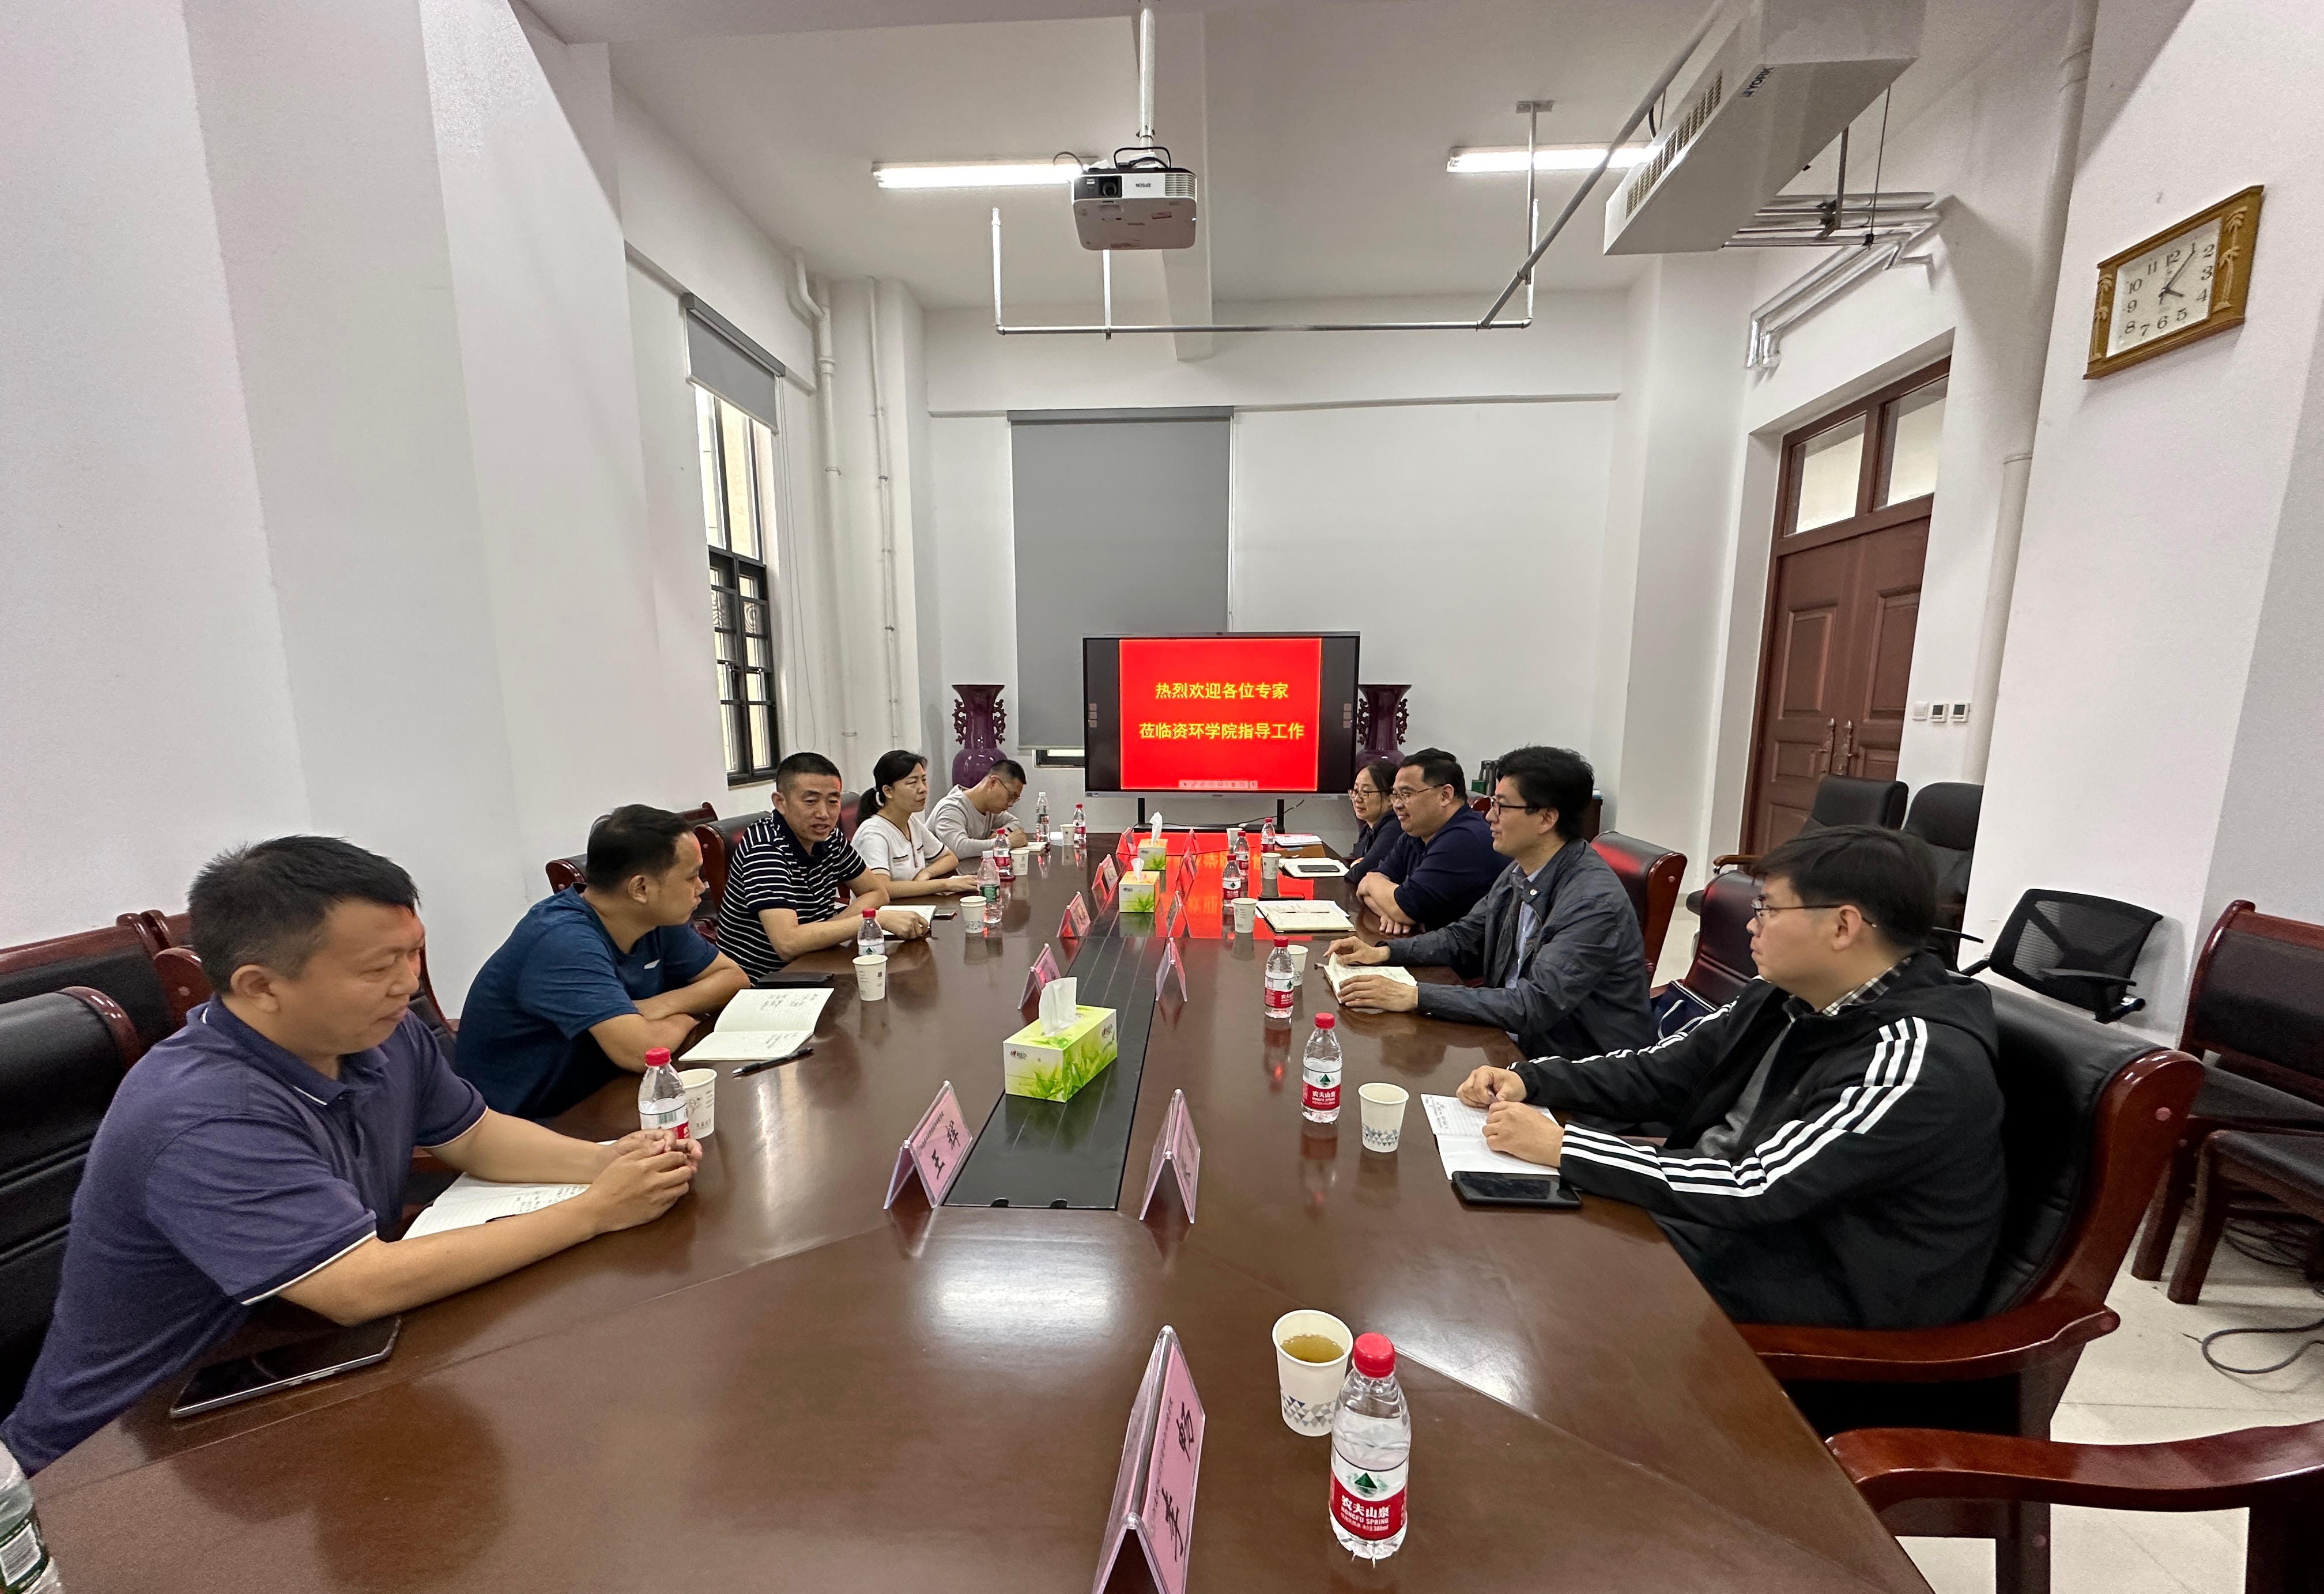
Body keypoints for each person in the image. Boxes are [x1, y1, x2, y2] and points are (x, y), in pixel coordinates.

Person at [0, 837, 702, 1472]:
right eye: (378, 967)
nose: (409, 982)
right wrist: (595, 1211)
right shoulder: (204, 1110)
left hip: (294, 1367)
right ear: (260, 986)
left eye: (414, 952)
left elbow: (475, 1135)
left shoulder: (379, 1033)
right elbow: (356, 1286)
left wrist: (603, 1161)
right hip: (127, 1450)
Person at [1453, 825, 2006, 1331]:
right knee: (1503, 1230)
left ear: (1843, 926)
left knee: (1531, 1279)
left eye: (1769, 909)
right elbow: (1659, 1070)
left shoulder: (1912, 1058)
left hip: (1818, 1288)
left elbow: (1757, 1186)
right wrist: (1532, 1079)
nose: (1750, 924)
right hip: (1729, 1228)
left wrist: (1567, 1147)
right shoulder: (1782, 994)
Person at [1330, 747, 1654, 1060]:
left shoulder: (1592, 901)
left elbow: (1534, 1004)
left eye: (1502, 806)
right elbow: (1463, 936)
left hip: (1574, 1066)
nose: (1489, 816)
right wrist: (1384, 952)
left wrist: (1414, 996)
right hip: (1511, 1038)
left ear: (1546, 818)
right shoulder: (1520, 871)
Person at [455, 805, 749, 1120]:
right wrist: (689, 1017)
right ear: (641, 888)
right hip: (534, 1121)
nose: (701, 887)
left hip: (608, 1092)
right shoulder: (563, 941)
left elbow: (734, 979)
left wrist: (659, 1006)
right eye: (691, 877)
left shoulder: (655, 918)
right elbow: (642, 1052)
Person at [716, 751, 927, 983]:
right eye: (811, 801)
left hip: (817, 961)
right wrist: (873, 920)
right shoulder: (765, 848)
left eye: (833, 801)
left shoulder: (829, 837)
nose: (824, 814)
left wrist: (826, 931)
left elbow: (876, 892)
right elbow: (787, 943)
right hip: (766, 982)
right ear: (780, 802)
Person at [1350, 747, 1501, 934]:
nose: (1397, 805)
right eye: (1396, 795)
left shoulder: (1464, 838)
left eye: (1406, 794)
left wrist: (1372, 882)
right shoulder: (1415, 833)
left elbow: (1402, 908)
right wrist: (1393, 911)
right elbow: (1366, 892)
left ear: (1445, 795)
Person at [853, 750, 984, 901]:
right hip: (883, 912)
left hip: (914, 905)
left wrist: (926, 873)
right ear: (888, 791)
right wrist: (946, 884)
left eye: (924, 780)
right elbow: (882, 888)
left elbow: (950, 858)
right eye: (912, 783)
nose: (923, 789)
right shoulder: (873, 833)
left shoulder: (911, 822)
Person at [927, 758, 1028, 861]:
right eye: (1011, 796)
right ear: (993, 782)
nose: (1011, 804)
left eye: (1015, 799)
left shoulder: (990, 809)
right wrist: (1005, 843)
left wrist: (1001, 836)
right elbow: (959, 848)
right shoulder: (952, 807)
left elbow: (1015, 823)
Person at [1342, 757, 1405, 891]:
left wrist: (1357, 865)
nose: (1357, 799)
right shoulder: (1368, 827)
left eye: (1365, 792)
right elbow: (1356, 861)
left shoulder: (1394, 828)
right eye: (1355, 791)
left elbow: (1361, 873)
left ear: (1391, 798)